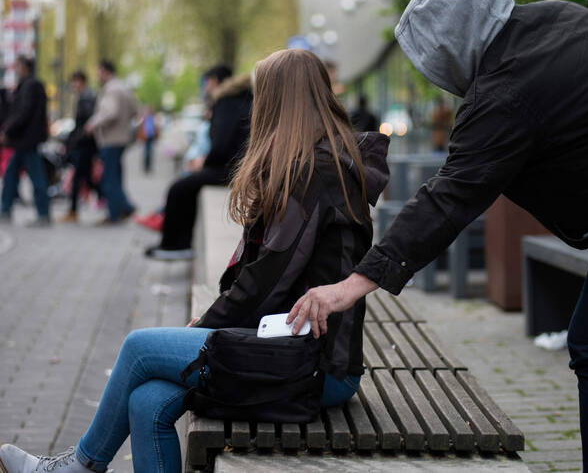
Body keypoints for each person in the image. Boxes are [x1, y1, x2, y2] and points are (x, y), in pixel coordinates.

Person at [287, 0, 588, 471]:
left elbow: (448, 200)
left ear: (449, 48)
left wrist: (352, 285)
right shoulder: (558, 16)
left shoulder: (502, 93)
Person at [0, 48, 389, 473]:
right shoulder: (313, 161)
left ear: (280, 101)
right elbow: (269, 276)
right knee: (147, 402)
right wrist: (212, 322)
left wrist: (207, 325)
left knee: (138, 348)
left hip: (312, 363)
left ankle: (79, 466)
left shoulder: (316, 170)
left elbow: (267, 279)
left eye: (261, 98)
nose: (255, 108)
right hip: (289, 345)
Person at [144, 64, 252, 260]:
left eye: (206, 82)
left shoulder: (225, 101)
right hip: (239, 165)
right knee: (186, 186)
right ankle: (179, 243)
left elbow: (222, 144)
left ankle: (174, 245)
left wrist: (204, 163)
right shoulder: (242, 98)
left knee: (178, 188)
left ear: (215, 81)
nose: (204, 87)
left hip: (231, 168)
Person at [84, 60, 138, 225]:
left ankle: (115, 213)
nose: (97, 76)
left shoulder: (111, 89)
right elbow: (135, 110)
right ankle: (124, 208)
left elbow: (110, 112)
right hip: (121, 138)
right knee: (116, 176)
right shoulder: (124, 88)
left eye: (99, 72)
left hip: (110, 139)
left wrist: (93, 123)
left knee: (109, 178)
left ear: (106, 72)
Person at [0, 56, 50, 226]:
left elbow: (23, 113)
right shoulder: (30, 85)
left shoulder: (31, 85)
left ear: (25, 67)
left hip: (26, 140)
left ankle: (43, 214)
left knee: (35, 177)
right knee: (11, 175)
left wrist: (8, 131)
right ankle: (5, 209)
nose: (16, 69)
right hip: (24, 140)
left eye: (19, 66)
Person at [59, 70, 99, 223]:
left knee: (80, 178)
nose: (73, 85)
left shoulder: (86, 98)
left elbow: (86, 124)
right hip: (84, 145)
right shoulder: (85, 97)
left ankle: (73, 210)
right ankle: (73, 209)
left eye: (75, 81)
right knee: (84, 178)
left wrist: (75, 140)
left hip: (84, 146)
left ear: (82, 82)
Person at [137, 106, 159, 174]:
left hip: (151, 137)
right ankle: (146, 167)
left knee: (149, 152)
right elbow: (140, 128)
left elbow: (155, 127)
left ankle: (148, 167)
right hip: (146, 137)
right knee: (147, 152)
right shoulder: (144, 119)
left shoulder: (152, 118)